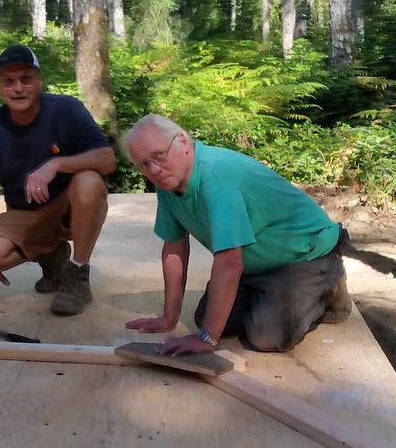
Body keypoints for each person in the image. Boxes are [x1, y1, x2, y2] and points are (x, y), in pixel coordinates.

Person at [120, 114, 353, 354]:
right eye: (144, 165)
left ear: (182, 142)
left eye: (159, 156)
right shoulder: (167, 185)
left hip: (306, 256)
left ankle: (331, 290)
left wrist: (207, 339)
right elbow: (173, 247)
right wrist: (168, 318)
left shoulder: (218, 178)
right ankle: (267, 295)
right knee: (207, 318)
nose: (154, 170)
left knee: (265, 335)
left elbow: (230, 262)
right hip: (254, 265)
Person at [0, 45, 116, 316]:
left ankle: (77, 274)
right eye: (8, 81)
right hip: (25, 214)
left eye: (26, 78)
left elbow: (107, 160)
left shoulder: (66, 109)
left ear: (39, 79)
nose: (18, 88)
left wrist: (56, 164)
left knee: (89, 180)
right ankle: (51, 257)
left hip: (69, 208)